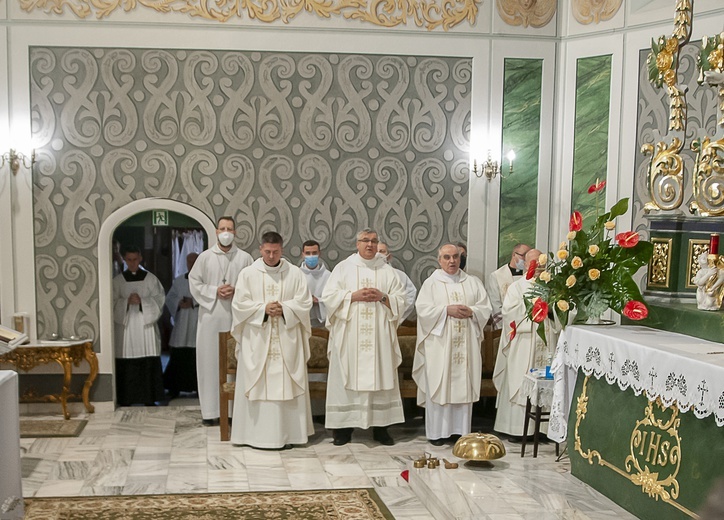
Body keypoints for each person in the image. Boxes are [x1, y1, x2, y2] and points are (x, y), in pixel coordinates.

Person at [322, 228, 407, 446]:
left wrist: (383, 296)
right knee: (345, 379)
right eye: (365, 241)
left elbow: (402, 300)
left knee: (381, 378)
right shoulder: (343, 268)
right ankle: (342, 429)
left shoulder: (388, 271)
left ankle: (381, 429)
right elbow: (329, 298)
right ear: (357, 244)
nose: (369, 245)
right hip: (350, 336)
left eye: (373, 241)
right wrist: (353, 296)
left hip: (379, 336)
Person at [230, 231, 314, 449]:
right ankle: (252, 436)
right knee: (258, 384)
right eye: (267, 251)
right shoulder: (248, 274)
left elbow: (304, 303)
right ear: (260, 249)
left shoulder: (294, 274)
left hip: (286, 339)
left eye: (275, 252)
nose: (271, 256)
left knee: (286, 384)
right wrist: (263, 309)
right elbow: (239, 305)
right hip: (257, 341)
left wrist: (285, 309)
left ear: (282, 250)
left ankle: (290, 435)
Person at [413, 244, 492, 445]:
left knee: (463, 387)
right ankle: (437, 433)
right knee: (440, 385)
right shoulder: (431, 284)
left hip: (466, 345)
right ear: (439, 260)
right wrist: (446, 310)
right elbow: (422, 310)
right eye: (447, 257)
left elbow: (485, 308)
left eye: (456, 257)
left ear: (461, 258)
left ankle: (461, 432)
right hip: (440, 346)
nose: (452, 261)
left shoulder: (473, 282)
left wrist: (473, 312)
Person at [189, 216, 253, 426]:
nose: (226, 232)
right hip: (211, 317)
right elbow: (194, 282)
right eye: (223, 228)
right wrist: (214, 290)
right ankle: (211, 412)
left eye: (230, 229)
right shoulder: (205, 258)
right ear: (217, 232)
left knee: (236, 362)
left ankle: (234, 412)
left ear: (235, 232)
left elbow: (253, 284)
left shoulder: (244, 259)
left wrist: (237, 290)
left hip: (236, 317)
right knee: (209, 363)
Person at [493, 248, 556, 439]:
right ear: (526, 264)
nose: (538, 267)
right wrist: (533, 306)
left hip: (546, 343)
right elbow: (509, 314)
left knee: (547, 381)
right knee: (520, 381)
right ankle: (518, 430)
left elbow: (563, 314)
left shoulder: (553, 287)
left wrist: (551, 309)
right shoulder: (517, 287)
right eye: (534, 263)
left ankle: (544, 430)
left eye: (542, 263)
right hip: (524, 342)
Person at [112, 245, 166, 406]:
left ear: (140, 258)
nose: (132, 263)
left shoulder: (151, 279)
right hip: (127, 328)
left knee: (147, 360)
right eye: (129, 260)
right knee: (128, 362)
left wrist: (143, 301)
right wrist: (125, 302)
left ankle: (149, 398)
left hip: (145, 326)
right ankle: (127, 398)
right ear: (124, 260)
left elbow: (159, 299)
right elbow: (111, 303)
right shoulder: (118, 281)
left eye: (135, 259)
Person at [163, 252, 200, 398]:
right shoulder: (179, 280)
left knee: (195, 356)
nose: (192, 265)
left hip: (196, 321)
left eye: (194, 262)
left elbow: (210, 298)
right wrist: (179, 302)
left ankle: (197, 388)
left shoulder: (205, 281)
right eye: (189, 262)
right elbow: (170, 297)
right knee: (178, 355)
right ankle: (174, 387)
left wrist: (194, 302)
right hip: (183, 321)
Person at [487, 243, 531, 329]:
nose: (525, 259)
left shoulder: (530, 276)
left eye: (528, 257)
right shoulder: (497, 276)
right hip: (505, 327)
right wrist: (505, 327)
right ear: (514, 254)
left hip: (527, 326)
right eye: (523, 255)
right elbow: (495, 305)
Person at [377, 241, 417, 322]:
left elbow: (410, 296)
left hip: (391, 319)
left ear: (389, 256)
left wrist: (397, 315)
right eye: (375, 251)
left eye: (382, 251)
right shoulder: (363, 274)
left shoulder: (399, 276)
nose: (378, 255)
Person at [299, 239, 331, 329]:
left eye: (314, 253)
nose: (311, 256)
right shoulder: (297, 274)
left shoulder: (328, 275)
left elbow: (333, 299)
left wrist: (319, 301)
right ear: (303, 254)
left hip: (322, 325)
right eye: (308, 253)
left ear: (319, 253)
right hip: (301, 322)